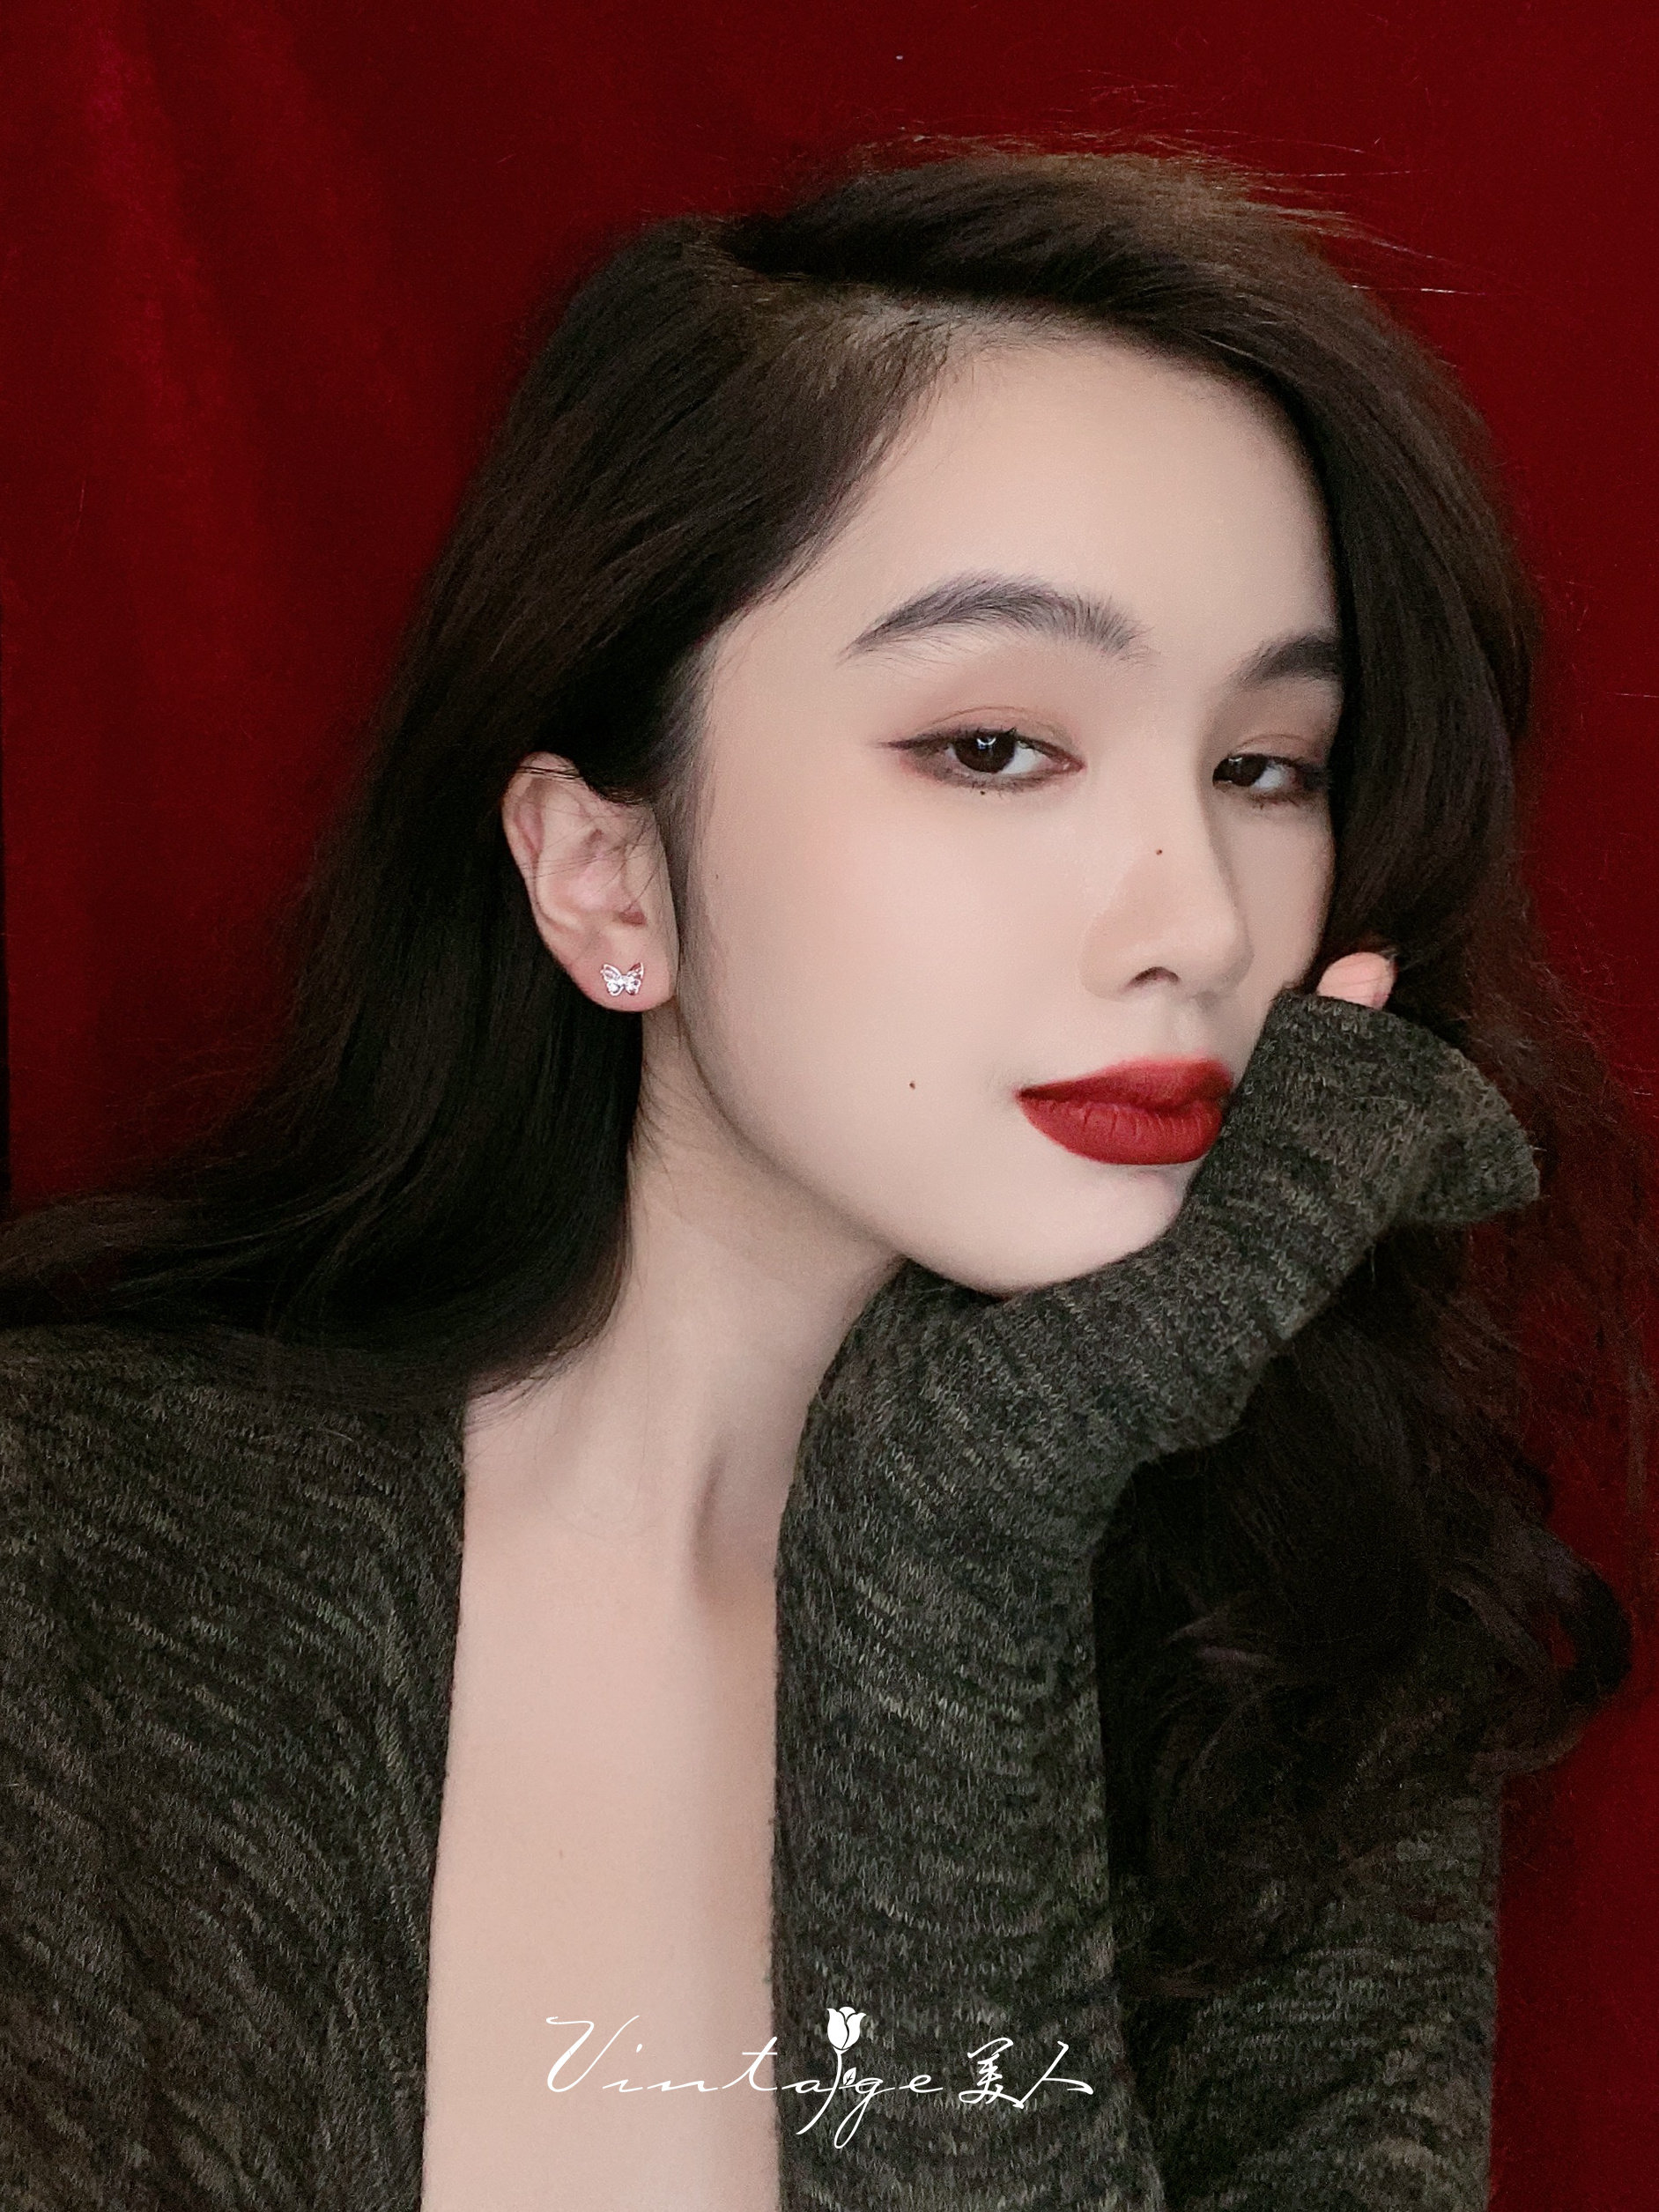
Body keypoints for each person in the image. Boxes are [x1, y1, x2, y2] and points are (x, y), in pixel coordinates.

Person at [0, 147, 1648, 2212]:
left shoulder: (1312, 1678)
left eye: (1265, 766)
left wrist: (953, 1545)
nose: (1201, 921)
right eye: (995, 747)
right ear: (606, 870)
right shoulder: (62, 1564)